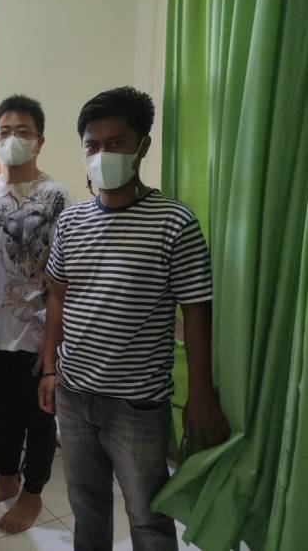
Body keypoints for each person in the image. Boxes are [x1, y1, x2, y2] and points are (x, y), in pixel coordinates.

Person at [38, 86, 230, 551]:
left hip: (137, 403)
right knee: (86, 504)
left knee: (148, 516)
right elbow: (58, 297)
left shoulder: (174, 222)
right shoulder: (71, 222)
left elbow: (196, 311)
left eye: (116, 143)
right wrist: (48, 368)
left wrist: (200, 394)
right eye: (92, 145)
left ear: (143, 146)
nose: (102, 155)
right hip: (74, 392)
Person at [0, 95, 72, 533]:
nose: (12, 139)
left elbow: (63, 279)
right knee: (3, 411)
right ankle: (7, 476)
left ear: (39, 141)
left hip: (36, 333)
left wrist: (53, 347)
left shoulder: (57, 196)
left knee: (39, 416)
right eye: (4, 132)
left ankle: (33, 492)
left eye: (22, 131)